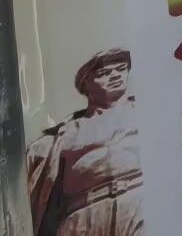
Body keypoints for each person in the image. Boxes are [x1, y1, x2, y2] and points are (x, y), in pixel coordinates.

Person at [27, 49, 142, 236]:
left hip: (137, 205)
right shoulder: (67, 133)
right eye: (104, 73)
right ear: (85, 84)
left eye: (121, 69)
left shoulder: (142, 111)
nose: (115, 75)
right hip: (84, 219)